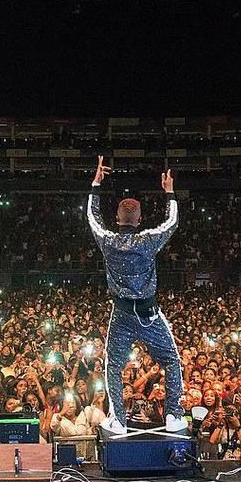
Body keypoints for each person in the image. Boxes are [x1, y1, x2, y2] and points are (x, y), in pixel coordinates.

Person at [87, 156, 183, 436]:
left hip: (122, 315)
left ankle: (118, 420)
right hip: (149, 313)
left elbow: (92, 217)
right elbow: (172, 222)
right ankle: (175, 415)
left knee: (113, 366)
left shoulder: (107, 241)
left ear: (117, 219)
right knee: (171, 362)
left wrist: (96, 185)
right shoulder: (149, 239)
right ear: (140, 220)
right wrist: (169, 193)